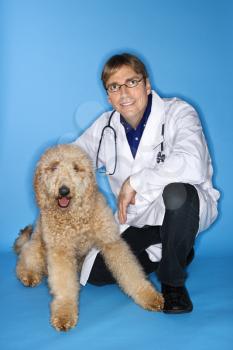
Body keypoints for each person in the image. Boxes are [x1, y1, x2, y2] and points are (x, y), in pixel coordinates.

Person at [73, 53, 220, 313]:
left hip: (182, 208)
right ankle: (171, 247)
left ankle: (172, 282)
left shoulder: (179, 112)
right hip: (136, 219)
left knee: (178, 193)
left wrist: (135, 182)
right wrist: (52, 173)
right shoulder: (105, 127)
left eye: (131, 82)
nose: (124, 93)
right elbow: (73, 159)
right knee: (96, 274)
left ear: (147, 85)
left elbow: (193, 162)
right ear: (108, 96)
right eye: (115, 87)